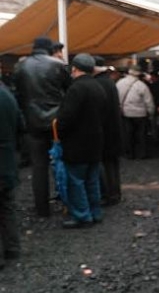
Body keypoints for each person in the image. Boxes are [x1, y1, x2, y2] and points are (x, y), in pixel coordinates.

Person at [13, 36, 71, 216]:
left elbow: (18, 94)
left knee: (39, 167)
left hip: (32, 122)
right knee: (66, 161)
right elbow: (69, 91)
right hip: (56, 121)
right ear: (49, 48)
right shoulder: (58, 65)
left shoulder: (20, 66)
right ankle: (69, 202)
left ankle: (42, 208)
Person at [56, 54, 107, 228]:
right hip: (96, 141)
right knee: (92, 180)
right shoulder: (98, 86)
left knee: (76, 181)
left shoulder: (76, 89)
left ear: (75, 69)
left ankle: (82, 216)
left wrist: (59, 133)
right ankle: (95, 212)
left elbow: (66, 118)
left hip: (77, 143)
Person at [94, 56, 123, 206]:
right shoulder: (109, 82)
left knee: (106, 164)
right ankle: (115, 193)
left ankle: (109, 194)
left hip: (105, 129)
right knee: (112, 163)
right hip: (114, 128)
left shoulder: (99, 83)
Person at [0, 82, 24, 269]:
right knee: (7, 206)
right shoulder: (7, 94)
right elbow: (20, 125)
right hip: (7, 159)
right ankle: (12, 247)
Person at [116, 64, 155, 159]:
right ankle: (141, 153)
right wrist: (151, 113)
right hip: (140, 114)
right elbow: (149, 101)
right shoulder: (142, 85)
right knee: (141, 135)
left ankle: (129, 153)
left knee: (127, 134)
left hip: (125, 112)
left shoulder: (119, 83)